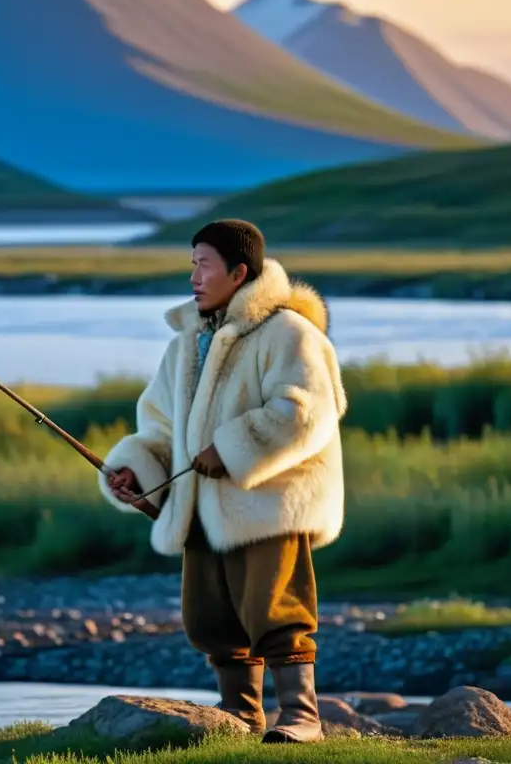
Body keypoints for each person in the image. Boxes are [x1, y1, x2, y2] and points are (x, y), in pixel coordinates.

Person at [97, 219, 347, 744]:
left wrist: (232, 450)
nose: (194, 275)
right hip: (201, 506)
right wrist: (136, 471)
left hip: (271, 505)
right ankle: (241, 711)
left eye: (204, 264)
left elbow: (307, 412)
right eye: (192, 263)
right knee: (210, 615)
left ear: (238, 273)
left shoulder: (290, 334)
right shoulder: (185, 345)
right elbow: (160, 425)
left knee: (277, 607)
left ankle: (302, 716)